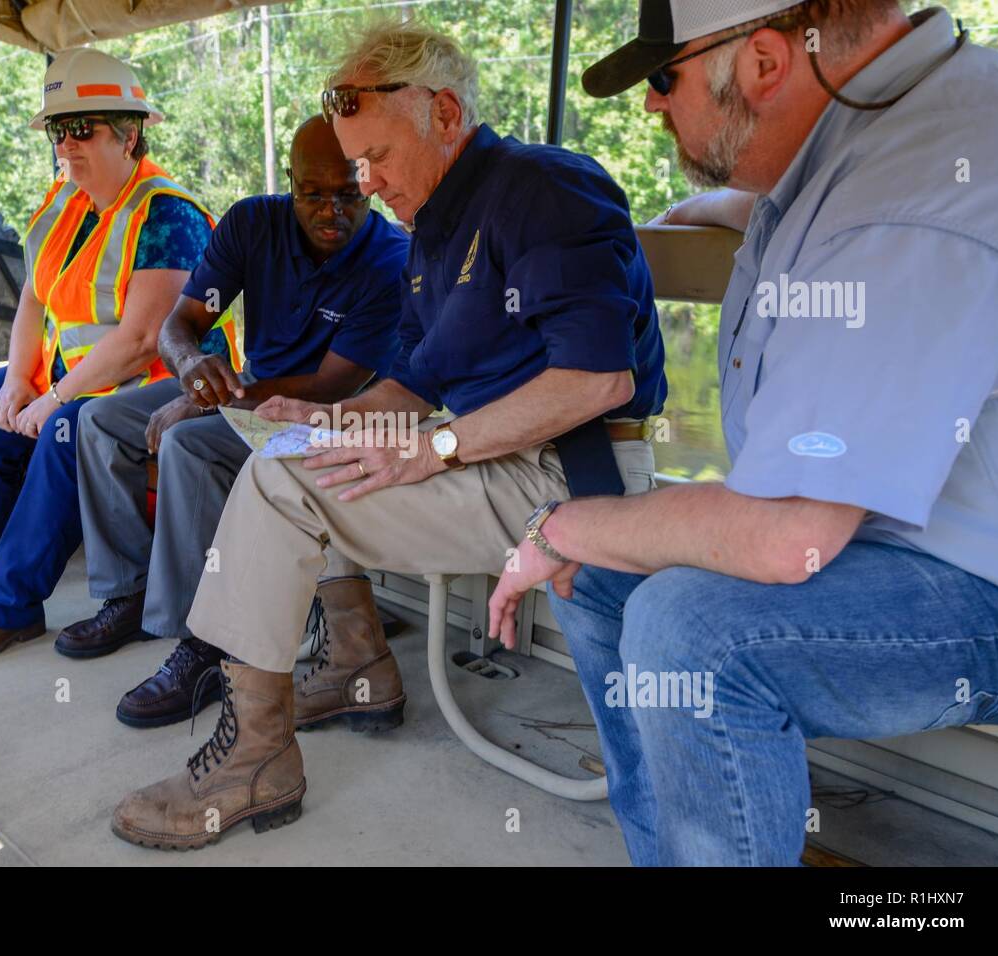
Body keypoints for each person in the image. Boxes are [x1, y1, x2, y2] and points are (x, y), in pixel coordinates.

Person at [109, 20, 668, 851]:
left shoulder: (544, 188)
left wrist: (434, 448)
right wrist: (331, 420)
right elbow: (415, 385)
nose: (364, 183)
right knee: (294, 455)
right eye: (353, 163)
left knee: (279, 485)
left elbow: (597, 380)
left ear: (443, 113)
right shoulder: (434, 230)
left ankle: (257, 761)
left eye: (375, 158)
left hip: (576, 474)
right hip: (499, 458)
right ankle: (353, 669)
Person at [488, 0, 998, 866]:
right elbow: (810, 207)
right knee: (600, 580)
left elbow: (791, 537)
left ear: (765, 63)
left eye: (666, 78)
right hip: (901, 537)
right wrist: (720, 204)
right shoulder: (872, 131)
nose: (653, 107)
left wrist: (560, 524)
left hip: (981, 578)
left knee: (689, 628)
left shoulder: (911, 196)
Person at [59, 115, 410, 730]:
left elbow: (334, 384)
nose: (331, 211)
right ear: (290, 185)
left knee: (190, 447)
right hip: (244, 394)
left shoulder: (388, 260)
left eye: (348, 194)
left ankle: (206, 642)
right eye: (313, 195)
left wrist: (206, 402)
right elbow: (180, 323)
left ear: (369, 185)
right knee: (98, 420)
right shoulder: (254, 224)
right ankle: (129, 590)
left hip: (322, 415)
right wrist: (191, 365)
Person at [0, 48, 237, 663]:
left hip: (159, 388)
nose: (66, 145)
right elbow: (33, 298)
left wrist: (55, 396)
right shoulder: (66, 203)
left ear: (130, 133)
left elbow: (142, 341)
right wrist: (14, 380)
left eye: (81, 130)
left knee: (64, 429)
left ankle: (8, 609)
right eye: (59, 131)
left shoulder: (167, 214)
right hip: (91, 380)